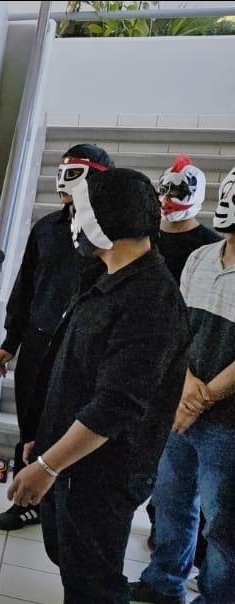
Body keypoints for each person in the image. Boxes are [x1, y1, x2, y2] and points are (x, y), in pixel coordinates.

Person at [8, 168, 190, 604]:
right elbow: (70, 368)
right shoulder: (102, 276)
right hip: (69, 459)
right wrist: (43, 437)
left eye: (81, 211)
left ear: (107, 220)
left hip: (101, 474)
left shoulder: (150, 301)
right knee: (70, 560)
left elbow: (114, 405)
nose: (73, 221)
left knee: (93, 583)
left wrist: (49, 466)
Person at [0, 144, 114, 531]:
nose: (62, 180)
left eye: (73, 172)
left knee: (71, 424)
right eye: (60, 171)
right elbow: (25, 286)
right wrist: (10, 341)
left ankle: (63, 501)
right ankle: (25, 499)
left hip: (84, 349)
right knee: (30, 421)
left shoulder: (111, 236)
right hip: (39, 342)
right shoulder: (46, 229)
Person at [129, 166, 235, 604]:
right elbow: (179, 329)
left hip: (227, 424)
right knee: (172, 503)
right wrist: (187, 386)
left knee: (223, 526)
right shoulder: (201, 258)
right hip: (182, 407)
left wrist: (203, 397)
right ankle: (164, 582)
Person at [147, 154, 220, 560]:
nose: (169, 197)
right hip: (151, 358)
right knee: (163, 470)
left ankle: (193, 552)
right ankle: (165, 541)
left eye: (178, 190)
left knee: (196, 481)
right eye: (166, 188)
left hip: (196, 373)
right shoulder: (149, 238)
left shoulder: (209, 246)